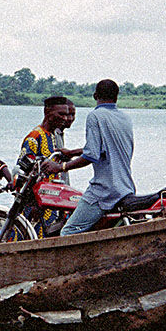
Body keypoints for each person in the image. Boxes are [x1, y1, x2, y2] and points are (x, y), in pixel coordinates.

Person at [43, 79, 135, 235]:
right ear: (117, 97)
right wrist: (72, 153)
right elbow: (106, 149)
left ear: (95, 96)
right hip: (125, 187)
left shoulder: (95, 116)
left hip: (104, 191)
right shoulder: (125, 118)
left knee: (68, 232)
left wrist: (60, 167)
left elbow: (92, 155)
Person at [18, 96, 73, 236]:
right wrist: (33, 204)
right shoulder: (34, 137)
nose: (65, 118)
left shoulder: (53, 135)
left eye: (67, 114)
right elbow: (24, 172)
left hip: (51, 200)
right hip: (37, 204)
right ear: (47, 113)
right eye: (61, 114)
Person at [53, 98, 79, 186]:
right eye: (67, 115)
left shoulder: (59, 133)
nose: (70, 119)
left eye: (73, 115)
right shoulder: (53, 134)